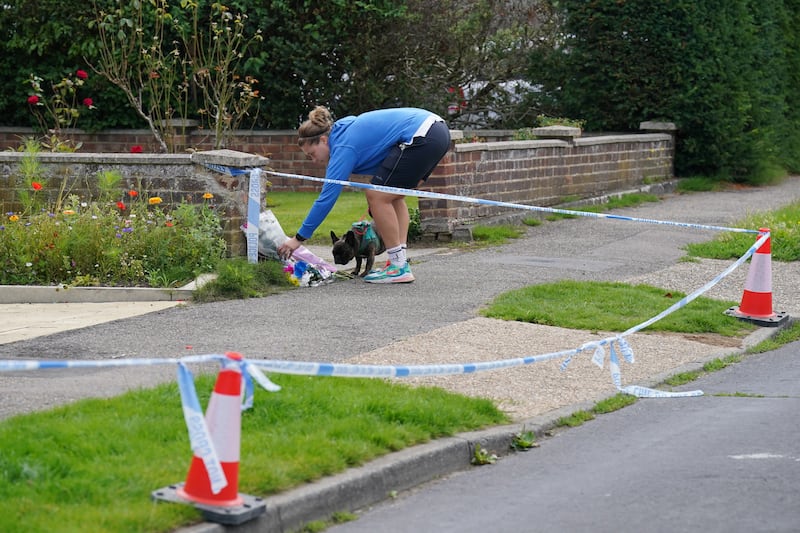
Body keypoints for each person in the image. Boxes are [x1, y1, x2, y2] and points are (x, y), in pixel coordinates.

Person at [277, 106, 450, 283]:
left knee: (376, 195)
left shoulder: (342, 146)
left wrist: (298, 239)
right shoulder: (341, 130)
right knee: (393, 196)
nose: (314, 161)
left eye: (312, 154)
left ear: (323, 140)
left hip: (421, 135)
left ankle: (398, 267)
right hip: (437, 130)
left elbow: (326, 200)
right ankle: (397, 260)